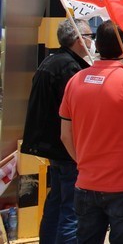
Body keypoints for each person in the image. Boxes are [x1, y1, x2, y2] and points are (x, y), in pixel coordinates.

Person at [59, 20, 123, 243]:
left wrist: (83, 163)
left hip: (86, 182)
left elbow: (66, 135)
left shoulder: (75, 81)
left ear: (97, 45)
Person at [21, 19, 93, 244]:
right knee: (71, 209)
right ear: (78, 40)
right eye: (89, 35)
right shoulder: (69, 68)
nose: (92, 41)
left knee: (56, 201)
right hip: (66, 147)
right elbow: (74, 113)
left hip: (52, 146)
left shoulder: (52, 61)